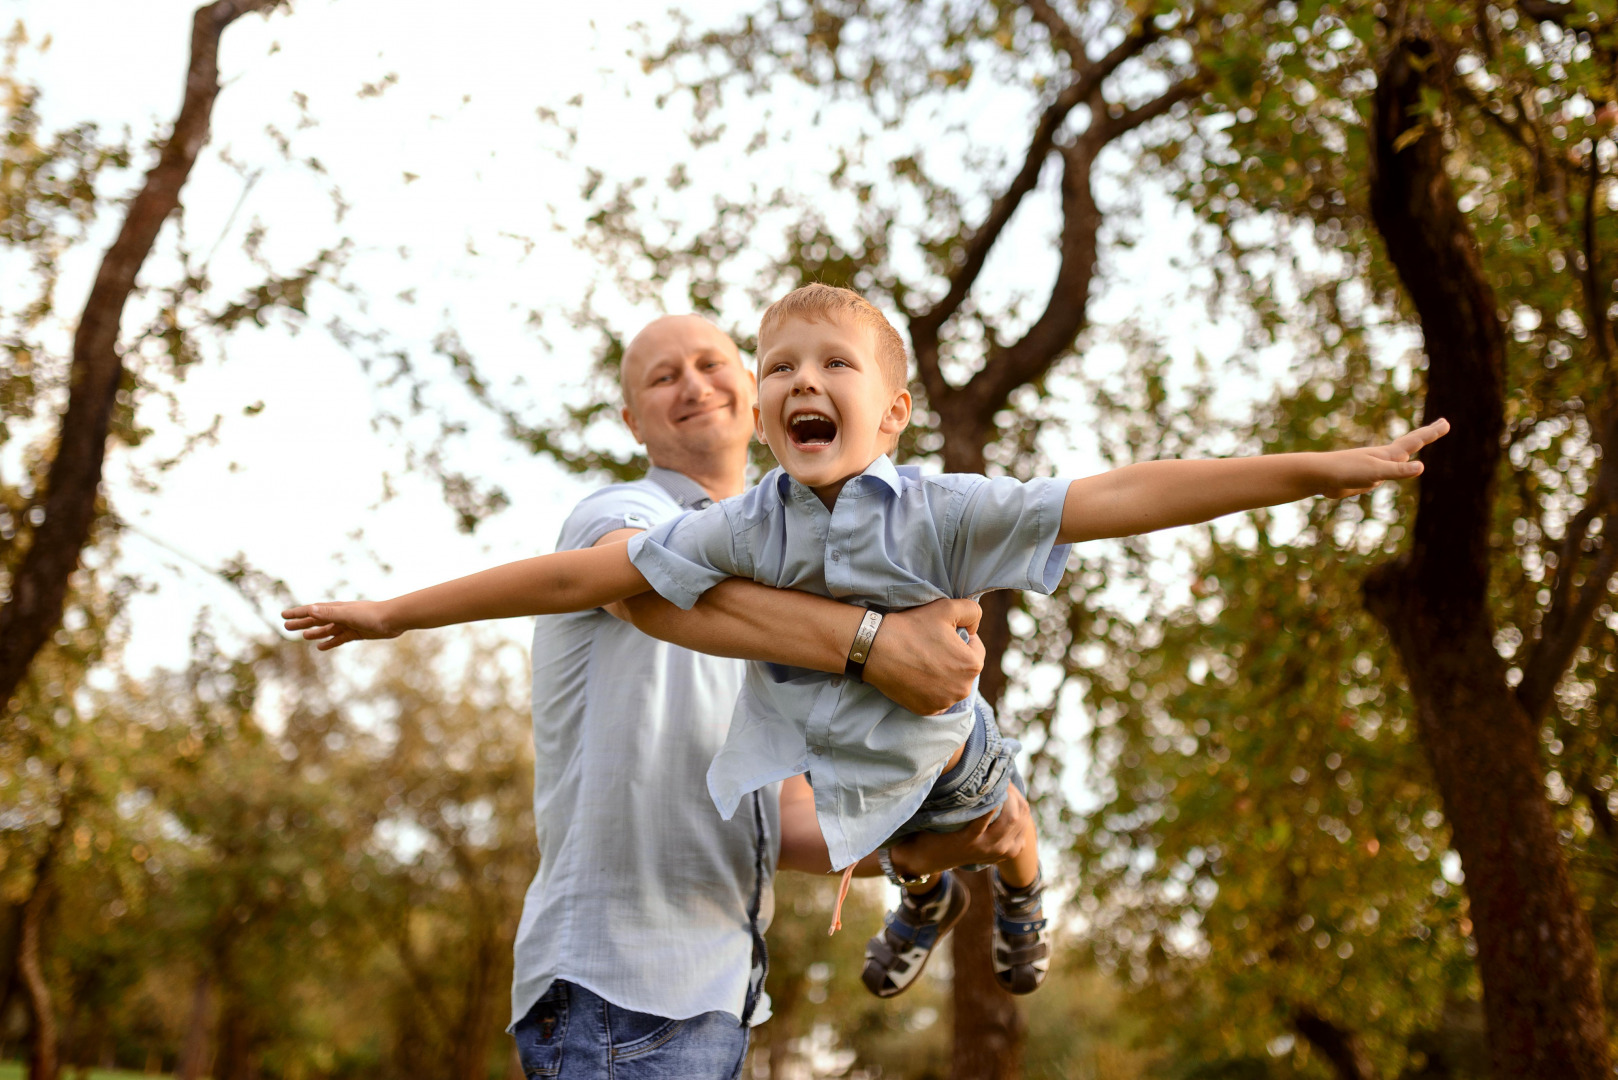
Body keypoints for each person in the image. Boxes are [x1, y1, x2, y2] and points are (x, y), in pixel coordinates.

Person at [285, 286, 1448, 1006]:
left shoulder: (939, 509)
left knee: (991, 823)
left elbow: (1124, 493)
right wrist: (394, 612)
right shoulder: (711, 529)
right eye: (780, 361)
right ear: (638, 418)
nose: (798, 379)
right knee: (915, 842)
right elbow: (595, 582)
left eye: (824, 366)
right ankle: (926, 892)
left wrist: (1320, 468)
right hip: (838, 819)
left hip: (944, 763)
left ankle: (1016, 890)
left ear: (890, 414)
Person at [288, 313, 1028, 1079]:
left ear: (753, 396)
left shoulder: (779, 579)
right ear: (632, 421)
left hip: (717, 999)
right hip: (617, 990)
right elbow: (639, 587)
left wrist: (928, 844)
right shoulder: (617, 516)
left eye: (712, 364)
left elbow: (778, 824)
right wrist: (877, 646)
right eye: (662, 376)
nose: (693, 384)